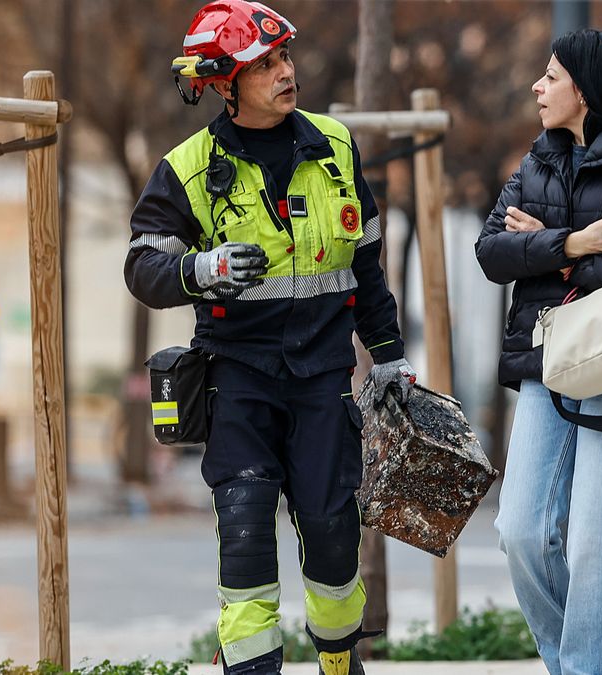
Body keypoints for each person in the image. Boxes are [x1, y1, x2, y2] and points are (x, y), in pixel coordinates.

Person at [124, 2, 415, 674]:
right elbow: (142, 265)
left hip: (321, 382)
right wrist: (201, 269)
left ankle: (341, 660)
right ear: (225, 84)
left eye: (285, 57)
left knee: (334, 538)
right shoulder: (189, 170)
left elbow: (364, 266)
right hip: (239, 381)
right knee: (247, 535)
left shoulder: (336, 148)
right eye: (266, 65)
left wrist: (392, 356)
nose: (288, 72)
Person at [475, 29, 602, 675]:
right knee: (522, 531)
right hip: (548, 361)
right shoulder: (538, 161)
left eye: (551, 76)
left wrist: (557, 253)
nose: (538, 87)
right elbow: (490, 253)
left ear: (585, 91)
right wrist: (575, 245)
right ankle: (580, 663)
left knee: (594, 540)